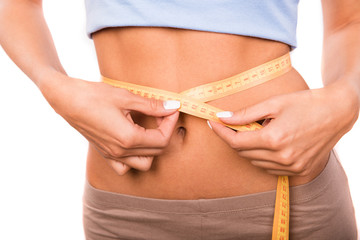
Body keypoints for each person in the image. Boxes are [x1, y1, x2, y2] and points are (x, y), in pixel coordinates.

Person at [0, 0, 358, 239]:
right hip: (125, 212)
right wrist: (53, 85)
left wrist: (347, 98)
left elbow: (349, 21)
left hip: (290, 197)